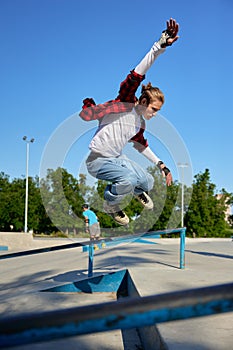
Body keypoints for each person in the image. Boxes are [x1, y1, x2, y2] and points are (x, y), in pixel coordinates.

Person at [80, 18, 179, 226]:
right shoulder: (126, 102)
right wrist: (158, 47)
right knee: (129, 179)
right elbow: (136, 75)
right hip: (97, 161)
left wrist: (162, 165)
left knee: (147, 181)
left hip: (117, 159)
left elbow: (142, 145)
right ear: (143, 101)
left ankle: (135, 191)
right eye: (154, 109)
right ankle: (111, 205)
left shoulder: (138, 124)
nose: (155, 114)